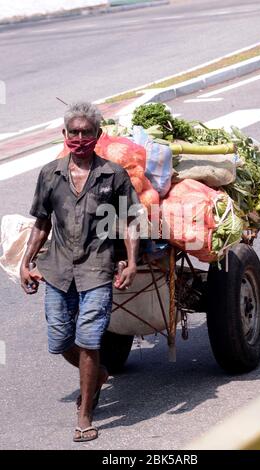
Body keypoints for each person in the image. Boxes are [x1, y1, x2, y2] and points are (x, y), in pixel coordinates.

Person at [20, 101, 139, 443]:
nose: (80, 138)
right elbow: (42, 222)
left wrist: (130, 261)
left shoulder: (113, 175)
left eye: (87, 132)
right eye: (74, 132)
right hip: (57, 269)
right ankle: (98, 373)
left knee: (88, 339)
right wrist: (26, 262)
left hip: (97, 267)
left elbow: (130, 220)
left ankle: (85, 413)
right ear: (64, 135)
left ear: (98, 135)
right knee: (59, 341)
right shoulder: (50, 173)